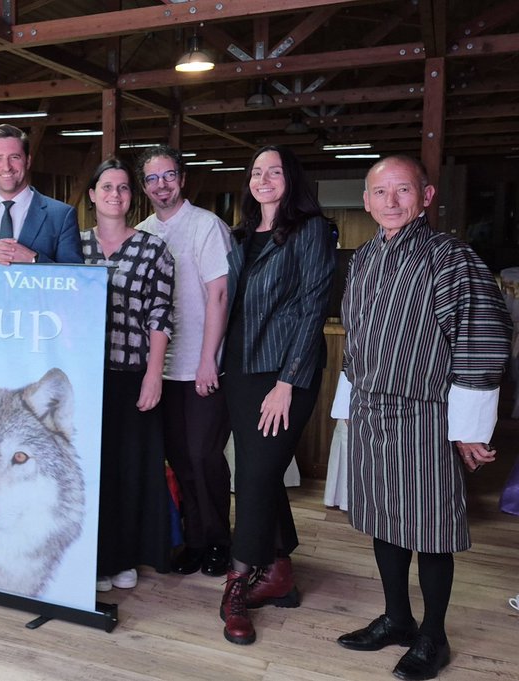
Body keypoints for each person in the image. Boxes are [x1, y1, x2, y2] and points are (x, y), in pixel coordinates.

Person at [332, 156, 511, 680]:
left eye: (402, 190)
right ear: (365, 201)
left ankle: (433, 634)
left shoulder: (450, 257)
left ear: (425, 197)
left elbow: (483, 335)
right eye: (380, 192)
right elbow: (357, 337)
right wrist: (347, 406)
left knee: (430, 528)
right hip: (370, 409)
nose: (391, 201)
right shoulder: (363, 258)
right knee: (382, 519)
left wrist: (471, 429)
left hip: (426, 414)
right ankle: (396, 619)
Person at [218, 146, 336, 645]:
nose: (263, 179)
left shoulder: (311, 229)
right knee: (257, 470)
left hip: (285, 373)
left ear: (292, 179)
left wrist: (287, 382)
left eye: (274, 171)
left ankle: (237, 584)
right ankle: (280, 570)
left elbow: (313, 308)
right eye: (256, 172)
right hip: (241, 370)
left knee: (255, 476)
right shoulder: (242, 235)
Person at [135, 144, 233, 577]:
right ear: (144, 186)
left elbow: (219, 294)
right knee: (178, 459)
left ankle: (219, 542)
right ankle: (194, 542)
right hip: (161, 370)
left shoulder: (206, 226)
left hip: (200, 365)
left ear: (183, 178)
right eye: (153, 178)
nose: (162, 184)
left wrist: (209, 360)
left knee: (203, 457)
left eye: (169, 175)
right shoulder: (142, 232)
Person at [80, 159, 176, 592]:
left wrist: (153, 375)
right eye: (106, 187)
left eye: (122, 188)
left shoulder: (153, 248)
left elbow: (160, 314)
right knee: (91, 470)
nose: (114, 194)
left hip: (132, 372)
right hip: (83, 378)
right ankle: (94, 557)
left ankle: (125, 556)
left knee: (130, 470)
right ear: (92, 195)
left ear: (130, 197)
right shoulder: (75, 246)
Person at [0, 124, 82, 264]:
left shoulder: (61, 215)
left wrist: (34, 259)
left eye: (14, 157)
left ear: (27, 161)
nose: (6, 167)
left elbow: (75, 277)